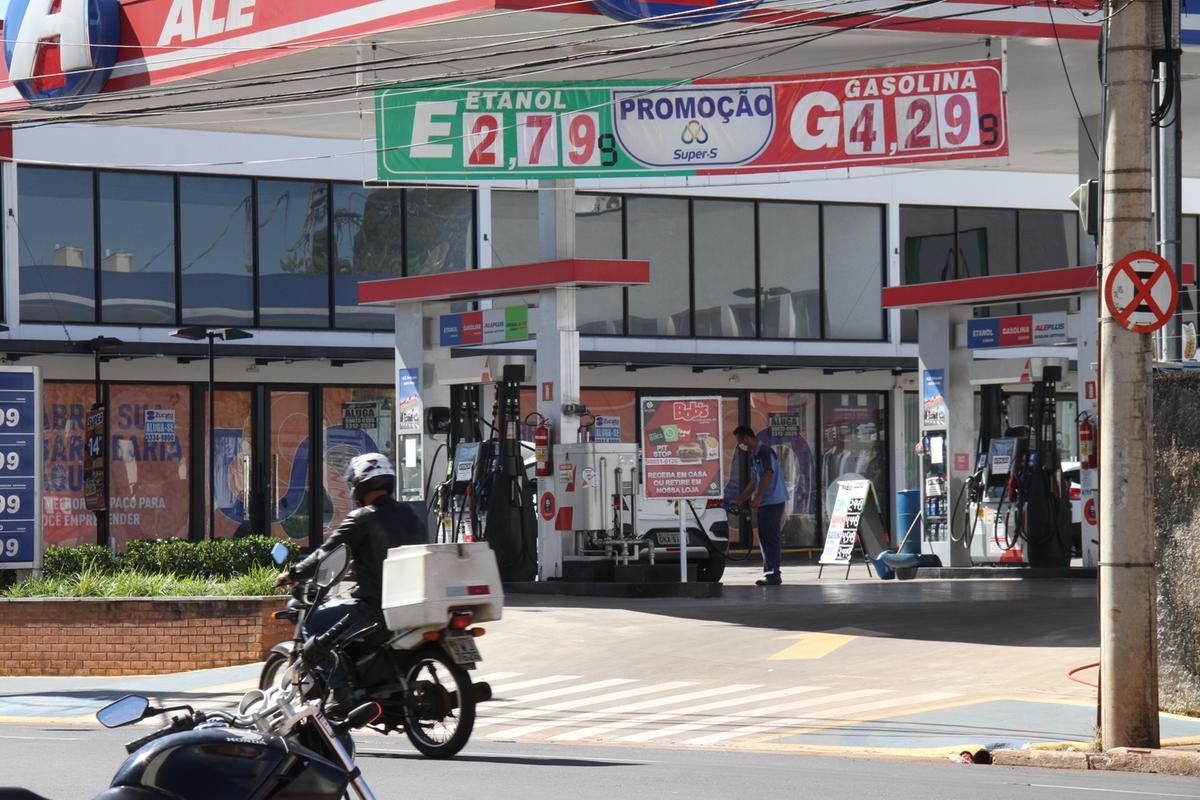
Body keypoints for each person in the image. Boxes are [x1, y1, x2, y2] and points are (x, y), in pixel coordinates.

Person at [274, 452, 425, 706]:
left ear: (360, 485)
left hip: (374, 606)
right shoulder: (410, 514)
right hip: (409, 604)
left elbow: (326, 553)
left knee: (315, 622)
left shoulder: (362, 518)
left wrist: (293, 573)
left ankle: (340, 691)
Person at [730, 425, 789, 586]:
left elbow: (768, 474)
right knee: (764, 538)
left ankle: (774, 574)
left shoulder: (765, 452)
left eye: (740, 441)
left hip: (773, 501)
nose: (741, 445)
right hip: (765, 502)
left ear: (747, 438)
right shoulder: (755, 456)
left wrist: (760, 496)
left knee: (771, 538)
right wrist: (740, 499)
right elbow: (755, 480)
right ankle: (770, 573)